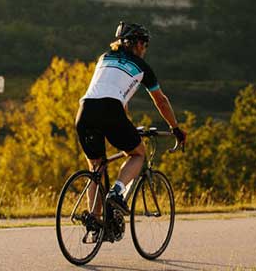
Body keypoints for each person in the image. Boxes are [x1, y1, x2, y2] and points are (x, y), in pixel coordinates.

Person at [75, 22, 186, 239]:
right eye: (144, 44)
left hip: (85, 110)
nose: (145, 49)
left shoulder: (104, 57)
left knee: (96, 169)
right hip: (110, 110)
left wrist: (127, 124)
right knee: (138, 153)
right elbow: (161, 102)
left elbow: (115, 92)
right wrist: (176, 128)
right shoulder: (142, 67)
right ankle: (117, 191)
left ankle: (95, 221)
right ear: (134, 44)